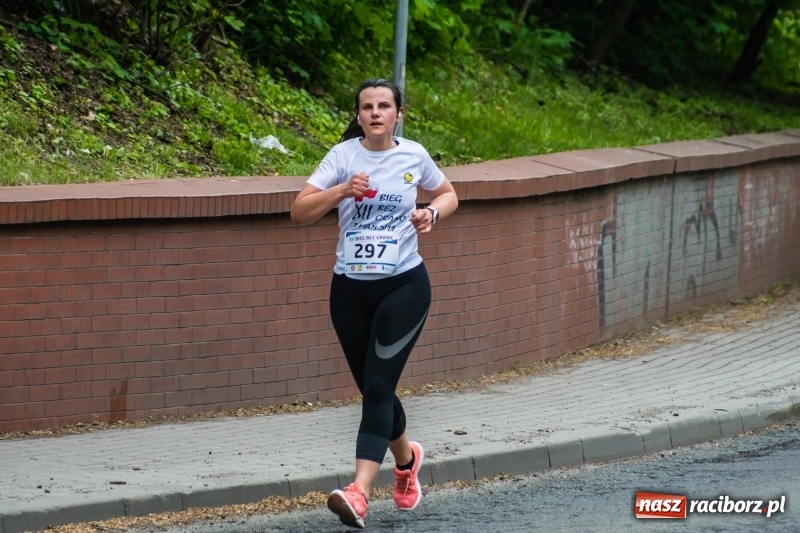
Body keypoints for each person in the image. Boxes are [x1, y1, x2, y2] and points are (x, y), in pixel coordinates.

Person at [290, 78, 458, 529]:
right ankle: (406, 461)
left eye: (385, 106)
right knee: (372, 387)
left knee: (380, 387)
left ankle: (359, 491)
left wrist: (431, 212)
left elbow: (449, 194)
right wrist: (342, 191)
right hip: (349, 289)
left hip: (404, 286)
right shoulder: (342, 157)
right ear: (359, 115)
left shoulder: (413, 155)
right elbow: (299, 211)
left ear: (398, 114)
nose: (376, 113)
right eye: (368, 107)